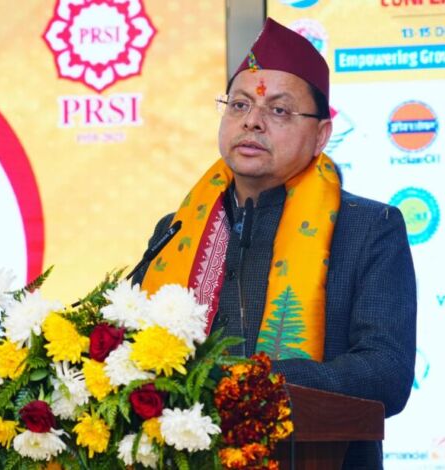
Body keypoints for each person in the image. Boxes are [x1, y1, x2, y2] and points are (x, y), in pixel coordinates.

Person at [135, 17, 416, 469]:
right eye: (239, 105)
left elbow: (386, 373)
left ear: (321, 135)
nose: (252, 121)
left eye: (279, 110)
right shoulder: (177, 230)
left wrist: (249, 383)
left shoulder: (368, 228)